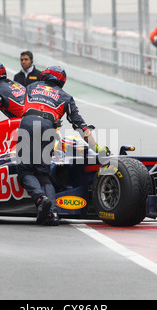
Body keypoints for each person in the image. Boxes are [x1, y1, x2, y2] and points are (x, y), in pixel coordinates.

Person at [16, 66, 108, 226]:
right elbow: (81, 126)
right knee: (43, 174)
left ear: (45, 76)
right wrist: (96, 148)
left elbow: (18, 106)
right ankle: (52, 213)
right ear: (61, 81)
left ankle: (40, 198)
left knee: (24, 170)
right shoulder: (66, 96)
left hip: (28, 123)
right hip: (47, 127)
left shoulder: (32, 86)